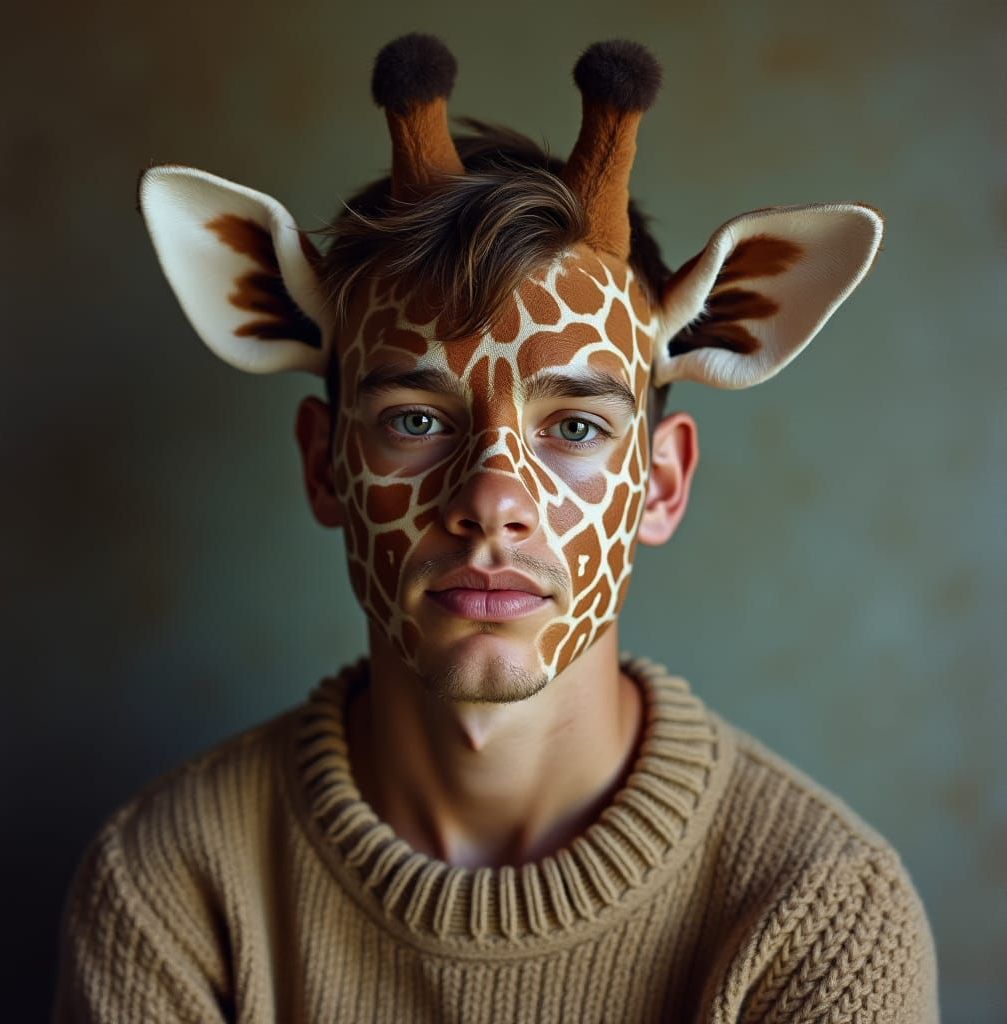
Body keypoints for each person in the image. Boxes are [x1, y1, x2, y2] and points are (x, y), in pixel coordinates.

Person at [53, 34, 939, 1023]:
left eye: (574, 426)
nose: (490, 498)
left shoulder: (816, 917)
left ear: (659, 483)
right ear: (324, 465)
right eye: (415, 419)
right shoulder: (169, 888)